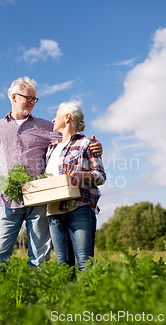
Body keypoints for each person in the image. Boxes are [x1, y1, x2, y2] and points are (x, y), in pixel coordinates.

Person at [0, 76, 102, 267]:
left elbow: (71, 138)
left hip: (37, 198)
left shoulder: (45, 126)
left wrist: (94, 146)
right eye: (28, 98)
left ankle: (34, 296)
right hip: (7, 198)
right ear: (13, 97)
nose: (32, 102)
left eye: (34, 99)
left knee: (39, 258)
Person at [45, 102, 105, 272]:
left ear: (67, 117)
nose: (53, 118)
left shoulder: (86, 143)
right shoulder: (50, 148)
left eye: (56, 114)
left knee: (85, 265)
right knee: (64, 268)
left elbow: (100, 175)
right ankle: (69, 299)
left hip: (79, 208)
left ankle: (87, 298)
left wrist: (82, 176)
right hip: (54, 212)